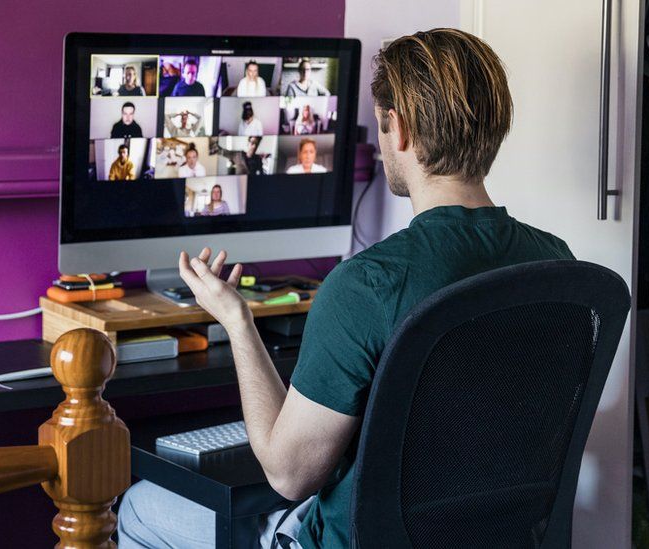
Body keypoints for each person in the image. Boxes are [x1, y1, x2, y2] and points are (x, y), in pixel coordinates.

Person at [118, 28, 575, 548]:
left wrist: (236, 321)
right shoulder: (556, 263)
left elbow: (289, 475)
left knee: (139, 508)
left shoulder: (366, 285)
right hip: (492, 538)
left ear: (397, 128)